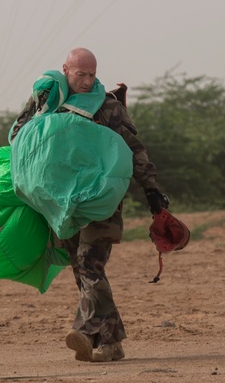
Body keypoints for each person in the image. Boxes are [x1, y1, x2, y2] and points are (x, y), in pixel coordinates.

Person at [10, 47, 170, 363]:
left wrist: (152, 192)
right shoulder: (46, 104)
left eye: (91, 75)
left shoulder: (107, 107)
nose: (86, 81)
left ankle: (84, 332)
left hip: (102, 200)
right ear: (65, 70)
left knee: (89, 264)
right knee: (80, 270)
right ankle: (111, 344)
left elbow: (134, 150)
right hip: (61, 203)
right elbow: (19, 139)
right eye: (80, 74)